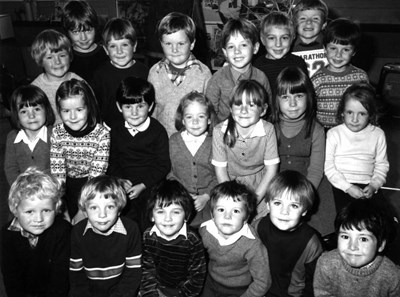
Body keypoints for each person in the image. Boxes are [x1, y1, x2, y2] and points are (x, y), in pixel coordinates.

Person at [107, 77, 171, 232]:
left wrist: (143, 185)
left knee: (149, 219)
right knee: (123, 220)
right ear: (119, 106)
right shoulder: (115, 131)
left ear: (150, 107)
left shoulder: (158, 131)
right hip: (123, 183)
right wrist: (120, 180)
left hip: (149, 184)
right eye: (128, 107)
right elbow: (111, 160)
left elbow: (163, 165)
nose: (134, 113)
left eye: (140, 106)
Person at [212, 79, 279, 220]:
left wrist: (253, 201)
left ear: (263, 110)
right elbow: (221, 172)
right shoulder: (220, 131)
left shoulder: (268, 130)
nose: (243, 111)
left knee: (260, 222)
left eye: (251, 105)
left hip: (261, 185)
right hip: (229, 183)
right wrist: (234, 201)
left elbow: (271, 170)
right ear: (230, 108)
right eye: (238, 104)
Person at [1, 167, 70, 297]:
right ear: (15, 209)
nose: (39, 219)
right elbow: (11, 277)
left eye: (46, 210)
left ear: (56, 208)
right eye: (29, 212)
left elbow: (60, 279)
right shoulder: (8, 233)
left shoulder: (62, 231)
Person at [69, 175, 142, 297]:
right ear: (85, 211)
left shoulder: (131, 229)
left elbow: (133, 273)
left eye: (110, 207)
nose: (102, 215)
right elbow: (77, 277)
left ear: (119, 210)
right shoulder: (78, 232)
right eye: (94, 207)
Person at [255, 170, 323, 297]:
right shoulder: (258, 226)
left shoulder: (311, 242)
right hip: (258, 289)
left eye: (294, 206)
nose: (284, 212)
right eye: (277, 203)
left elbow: (315, 283)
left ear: (304, 211)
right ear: (268, 205)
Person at [313, 198, 400, 297]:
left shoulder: (393, 276)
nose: (352, 247)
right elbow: (322, 293)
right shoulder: (325, 263)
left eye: (363, 239)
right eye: (345, 237)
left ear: (380, 245)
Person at [50, 78, 110, 220]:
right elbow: (57, 172)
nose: (72, 117)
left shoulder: (101, 134)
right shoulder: (57, 132)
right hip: (66, 186)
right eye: (66, 111)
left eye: (79, 109)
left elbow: (96, 175)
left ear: (89, 107)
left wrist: (82, 210)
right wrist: (61, 206)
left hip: (93, 186)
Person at [199, 180, 271, 297]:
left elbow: (263, 282)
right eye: (221, 210)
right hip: (210, 281)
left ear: (246, 217)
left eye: (236, 211)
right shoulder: (205, 231)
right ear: (212, 214)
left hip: (238, 290)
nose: (227, 216)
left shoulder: (252, 244)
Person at [325, 83, 389, 213]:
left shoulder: (378, 134)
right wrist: (348, 187)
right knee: (348, 219)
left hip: (369, 185)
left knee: (383, 220)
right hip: (342, 184)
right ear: (342, 112)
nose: (354, 119)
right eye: (350, 112)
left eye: (362, 114)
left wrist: (374, 185)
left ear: (370, 114)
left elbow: (382, 165)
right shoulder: (334, 133)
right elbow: (329, 167)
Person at [149, 12, 212, 137]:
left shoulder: (203, 74)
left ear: (192, 43)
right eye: (168, 44)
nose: (174, 49)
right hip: (162, 142)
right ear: (161, 43)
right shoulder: (154, 73)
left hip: (194, 141)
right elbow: (151, 111)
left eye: (181, 44)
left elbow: (209, 112)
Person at [141, 179, 207, 296]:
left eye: (175, 212)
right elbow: (147, 269)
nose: (168, 218)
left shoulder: (192, 240)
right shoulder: (148, 236)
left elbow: (197, 276)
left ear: (186, 216)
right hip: (157, 288)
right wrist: (150, 293)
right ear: (152, 216)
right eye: (161, 212)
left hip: (183, 292)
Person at [206, 18, 272, 122]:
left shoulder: (261, 77)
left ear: (255, 48)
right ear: (225, 52)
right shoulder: (217, 79)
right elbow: (210, 113)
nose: (237, 51)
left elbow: (268, 110)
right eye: (231, 46)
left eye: (244, 45)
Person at [168, 91, 217, 228]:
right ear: (182, 120)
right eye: (189, 117)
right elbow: (171, 174)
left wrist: (206, 196)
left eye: (201, 116)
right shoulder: (174, 140)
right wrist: (183, 194)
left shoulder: (215, 143)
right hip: (180, 201)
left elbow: (219, 176)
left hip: (208, 202)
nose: (195, 122)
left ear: (208, 120)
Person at [270, 66, 325, 189]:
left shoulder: (316, 130)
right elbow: (265, 167)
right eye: (285, 97)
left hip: (305, 186)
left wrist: (305, 195)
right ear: (277, 100)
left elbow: (316, 170)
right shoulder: (269, 127)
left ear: (308, 97)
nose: (293, 103)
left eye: (299, 96)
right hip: (274, 185)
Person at [312, 18, 369, 129]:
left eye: (346, 50)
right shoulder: (317, 79)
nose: (338, 55)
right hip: (324, 133)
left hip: (352, 131)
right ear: (325, 48)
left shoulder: (361, 77)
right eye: (333, 48)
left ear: (354, 52)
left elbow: (368, 107)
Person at [92, 18, 149, 126]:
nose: (119, 51)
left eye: (124, 45)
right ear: (105, 49)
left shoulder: (145, 72)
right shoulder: (100, 74)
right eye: (113, 46)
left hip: (139, 128)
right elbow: (94, 106)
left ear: (134, 46)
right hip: (109, 129)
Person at [4, 85, 55, 185]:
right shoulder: (12, 137)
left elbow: (60, 167)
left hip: (51, 190)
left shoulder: (54, 134)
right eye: (23, 111)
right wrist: (19, 189)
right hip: (24, 192)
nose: (31, 116)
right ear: (16, 115)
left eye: (36, 109)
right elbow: (10, 168)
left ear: (46, 110)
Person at [30, 29, 83, 124]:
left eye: (62, 55)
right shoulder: (35, 89)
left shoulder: (80, 83)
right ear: (40, 61)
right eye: (50, 57)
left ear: (70, 56)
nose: (57, 62)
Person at [253, 11, 308, 97]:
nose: (278, 44)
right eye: (271, 38)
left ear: (292, 38)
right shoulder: (256, 66)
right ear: (263, 39)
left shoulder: (298, 63)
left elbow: (307, 95)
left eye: (284, 38)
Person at [62, 0, 108, 82]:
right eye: (76, 32)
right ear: (67, 32)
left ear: (96, 28)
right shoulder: (64, 57)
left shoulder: (106, 53)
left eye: (88, 30)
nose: (83, 38)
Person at [292, 0, 329, 77]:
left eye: (315, 18)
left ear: (324, 24)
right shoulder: (288, 46)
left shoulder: (330, 45)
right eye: (303, 18)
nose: (308, 22)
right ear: (295, 23)